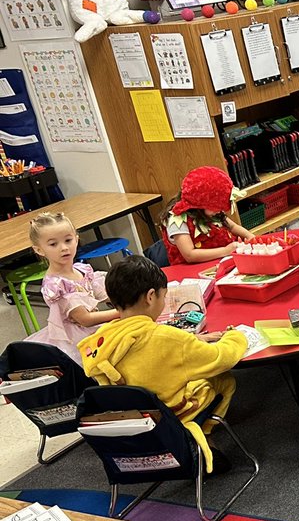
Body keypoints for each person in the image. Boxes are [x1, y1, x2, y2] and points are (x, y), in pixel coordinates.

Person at [78, 256, 248, 474]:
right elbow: (221, 358)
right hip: (172, 412)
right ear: (151, 296)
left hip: (132, 419)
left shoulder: (103, 338)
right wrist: (236, 337)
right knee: (223, 380)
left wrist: (193, 341)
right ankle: (202, 436)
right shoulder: (165, 337)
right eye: (163, 297)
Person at [25, 212, 118, 362]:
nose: (64, 248)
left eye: (68, 240)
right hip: (77, 339)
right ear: (39, 250)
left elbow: (105, 294)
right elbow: (85, 319)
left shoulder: (82, 270)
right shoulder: (56, 284)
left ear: (76, 239)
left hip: (95, 326)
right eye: (53, 244)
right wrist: (121, 312)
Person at [162, 166, 251, 265]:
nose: (220, 210)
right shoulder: (177, 220)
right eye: (217, 206)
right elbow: (190, 255)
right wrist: (226, 251)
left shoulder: (212, 212)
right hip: (194, 271)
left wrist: (251, 237)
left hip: (223, 263)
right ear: (200, 202)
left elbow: (233, 226)